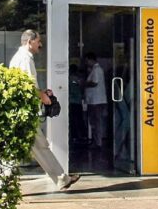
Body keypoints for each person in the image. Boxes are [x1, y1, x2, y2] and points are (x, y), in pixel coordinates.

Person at [9, 29, 79, 190]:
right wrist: (43, 96)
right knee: (33, 147)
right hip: (24, 112)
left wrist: (42, 93)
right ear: (30, 42)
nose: (40, 45)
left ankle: (62, 179)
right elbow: (27, 85)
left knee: (36, 146)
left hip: (22, 111)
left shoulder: (21, 57)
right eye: (38, 41)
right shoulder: (25, 58)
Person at [84, 52, 107, 150]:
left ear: (90, 60)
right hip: (94, 100)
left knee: (96, 122)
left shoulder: (97, 70)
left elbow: (94, 83)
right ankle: (96, 141)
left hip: (96, 101)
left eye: (86, 61)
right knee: (94, 122)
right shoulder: (94, 70)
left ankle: (98, 142)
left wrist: (84, 83)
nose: (86, 63)